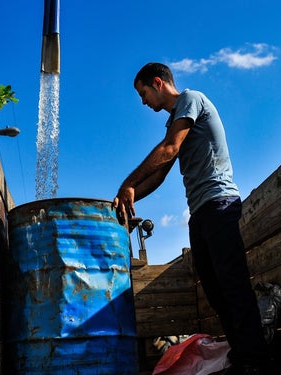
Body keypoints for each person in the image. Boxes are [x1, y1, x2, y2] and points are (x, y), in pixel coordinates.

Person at [113, 62, 270, 374]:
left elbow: (169, 150)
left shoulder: (191, 99)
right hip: (200, 212)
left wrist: (127, 183)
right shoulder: (175, 120)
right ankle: (242, 354)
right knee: (213, 288)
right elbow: (159, 175)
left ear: (157, 83)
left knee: (232, 282)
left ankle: (255, 360)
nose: (143, 102)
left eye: (143, 93)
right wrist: (126, 198)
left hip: (219, 203)